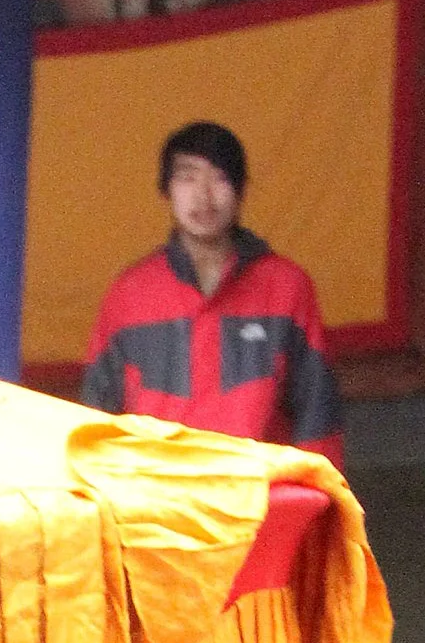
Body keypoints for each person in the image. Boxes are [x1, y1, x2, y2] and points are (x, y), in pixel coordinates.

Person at [81, 118, 343, 461]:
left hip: (256, 487)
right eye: (187, 178)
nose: (203, 196)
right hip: (158, 488)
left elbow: (316, 413)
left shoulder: (286, 287)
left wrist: (317, 491)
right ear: (166, 189)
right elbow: (97, 417)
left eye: (219, 178)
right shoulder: (130, 294)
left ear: (241, 190)